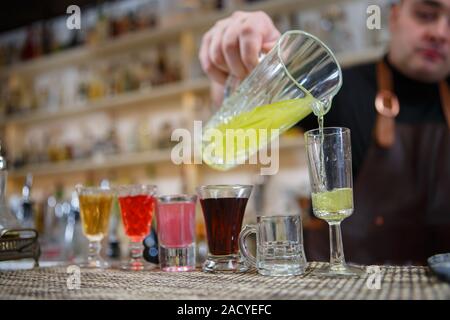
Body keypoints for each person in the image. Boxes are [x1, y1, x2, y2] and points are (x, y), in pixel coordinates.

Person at [199, 0, 450, 265]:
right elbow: (237, 123)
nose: (441, 32)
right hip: (351, 289)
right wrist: (241, 65)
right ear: (394, 17)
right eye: (426, 15)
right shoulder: (336, 88)